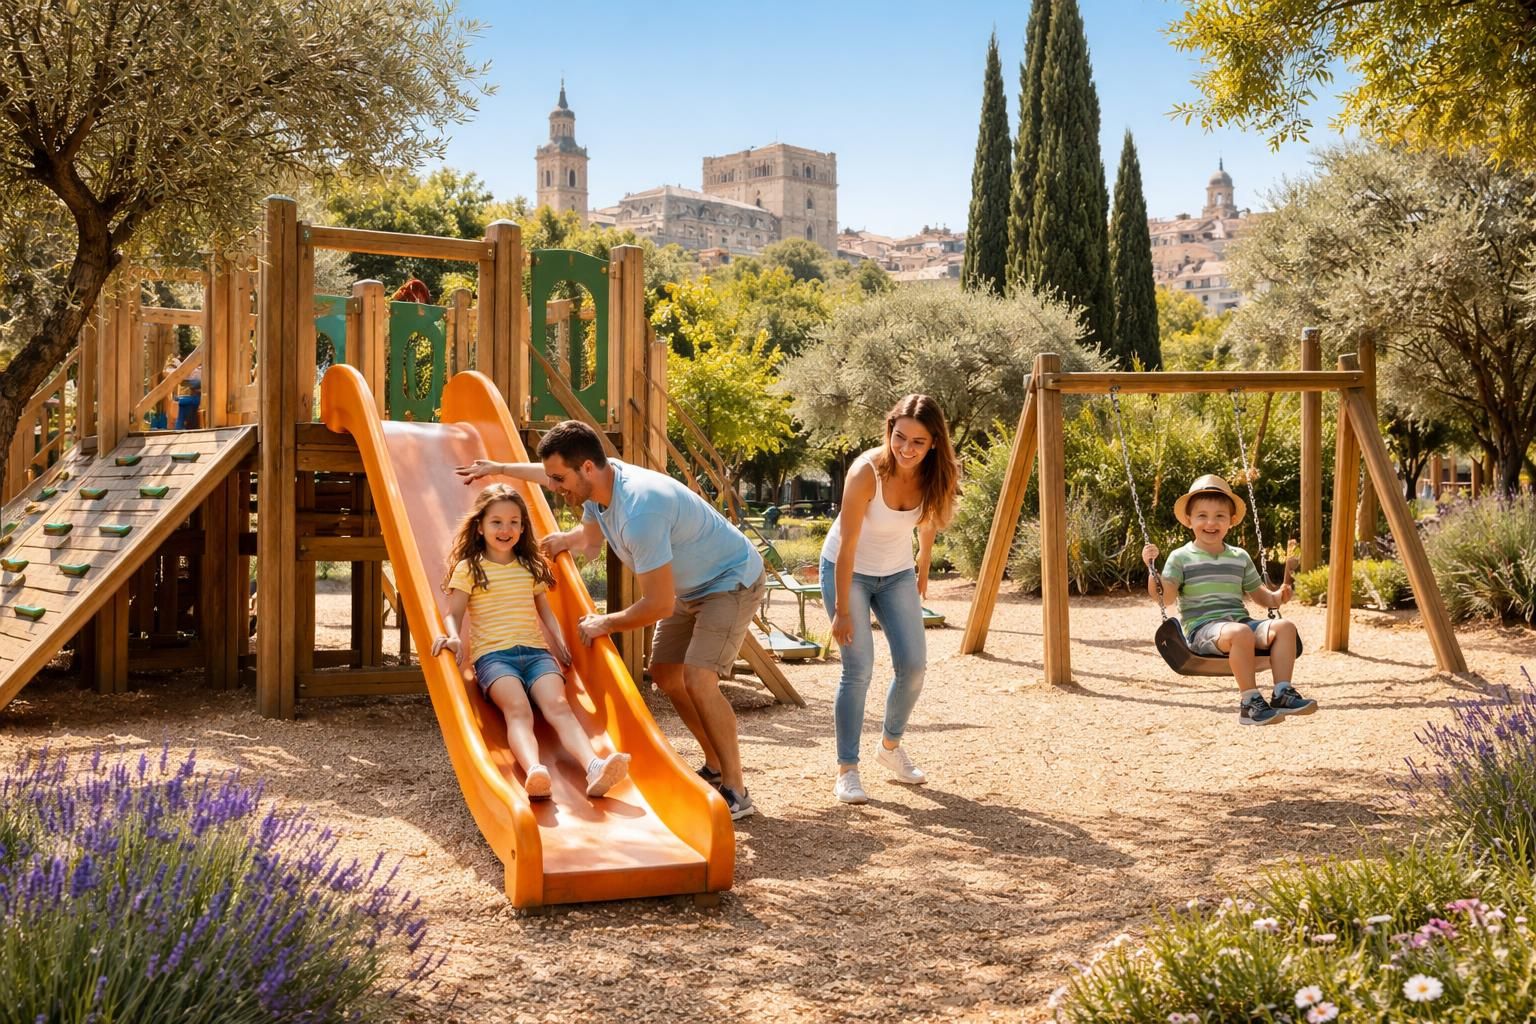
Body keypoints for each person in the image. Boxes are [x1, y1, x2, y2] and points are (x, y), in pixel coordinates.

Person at [455, 421, 766, 820]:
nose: (553, 486)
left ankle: (737, 790)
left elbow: (657, 605)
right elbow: (582, 524)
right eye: (551, 477)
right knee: (665, 674)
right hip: (688, 588)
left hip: (729, 581)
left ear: (586, 468)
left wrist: (605, 622)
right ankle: (715, 765)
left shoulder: (640, 510)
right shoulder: (599, 487)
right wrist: (499, 467)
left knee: (698, 678)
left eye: (559, 478)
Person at [431, 483, 631, 800]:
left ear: (523, 527)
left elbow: (544, 610)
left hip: (537, 654)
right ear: (480, 526)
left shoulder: (529, 566)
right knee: (519, 709)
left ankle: (594, 767)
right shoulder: (469, 569)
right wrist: (454, 637)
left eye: (514, 522)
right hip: (494, 658)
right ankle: (535, 771)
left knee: (559, 706)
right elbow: (453, 612)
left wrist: (559, 639)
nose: (506, 529)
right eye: (496, 522)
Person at [821, 394, 960, 805]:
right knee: (858, 668)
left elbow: (930, 520)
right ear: (889, 431)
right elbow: (847, 546)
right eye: (900, 437)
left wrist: (923, 564)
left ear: (934, 442)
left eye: (918, 442)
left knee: (914, 666)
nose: (907, 449)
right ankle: (847, 770)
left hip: (896, 572)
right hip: (849, 570)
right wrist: (843, 611)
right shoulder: (866, 473)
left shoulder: (937, 472)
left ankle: (890, 748)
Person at [1141, 474, 1316, 727]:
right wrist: (1152, 572)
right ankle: (1249, 702)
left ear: (1231, 521)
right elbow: (1164, 596)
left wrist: (1278, 598)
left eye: (1219, 516)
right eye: (1202, 515)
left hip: (1240, 624)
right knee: (1240, 632)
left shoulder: (1239, 557)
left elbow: (1260, 596)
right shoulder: (1181, 558)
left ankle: (1282, 693)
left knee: (1285, 627)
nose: (1211, 522)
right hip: (1203, 630)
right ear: (1189, 520)